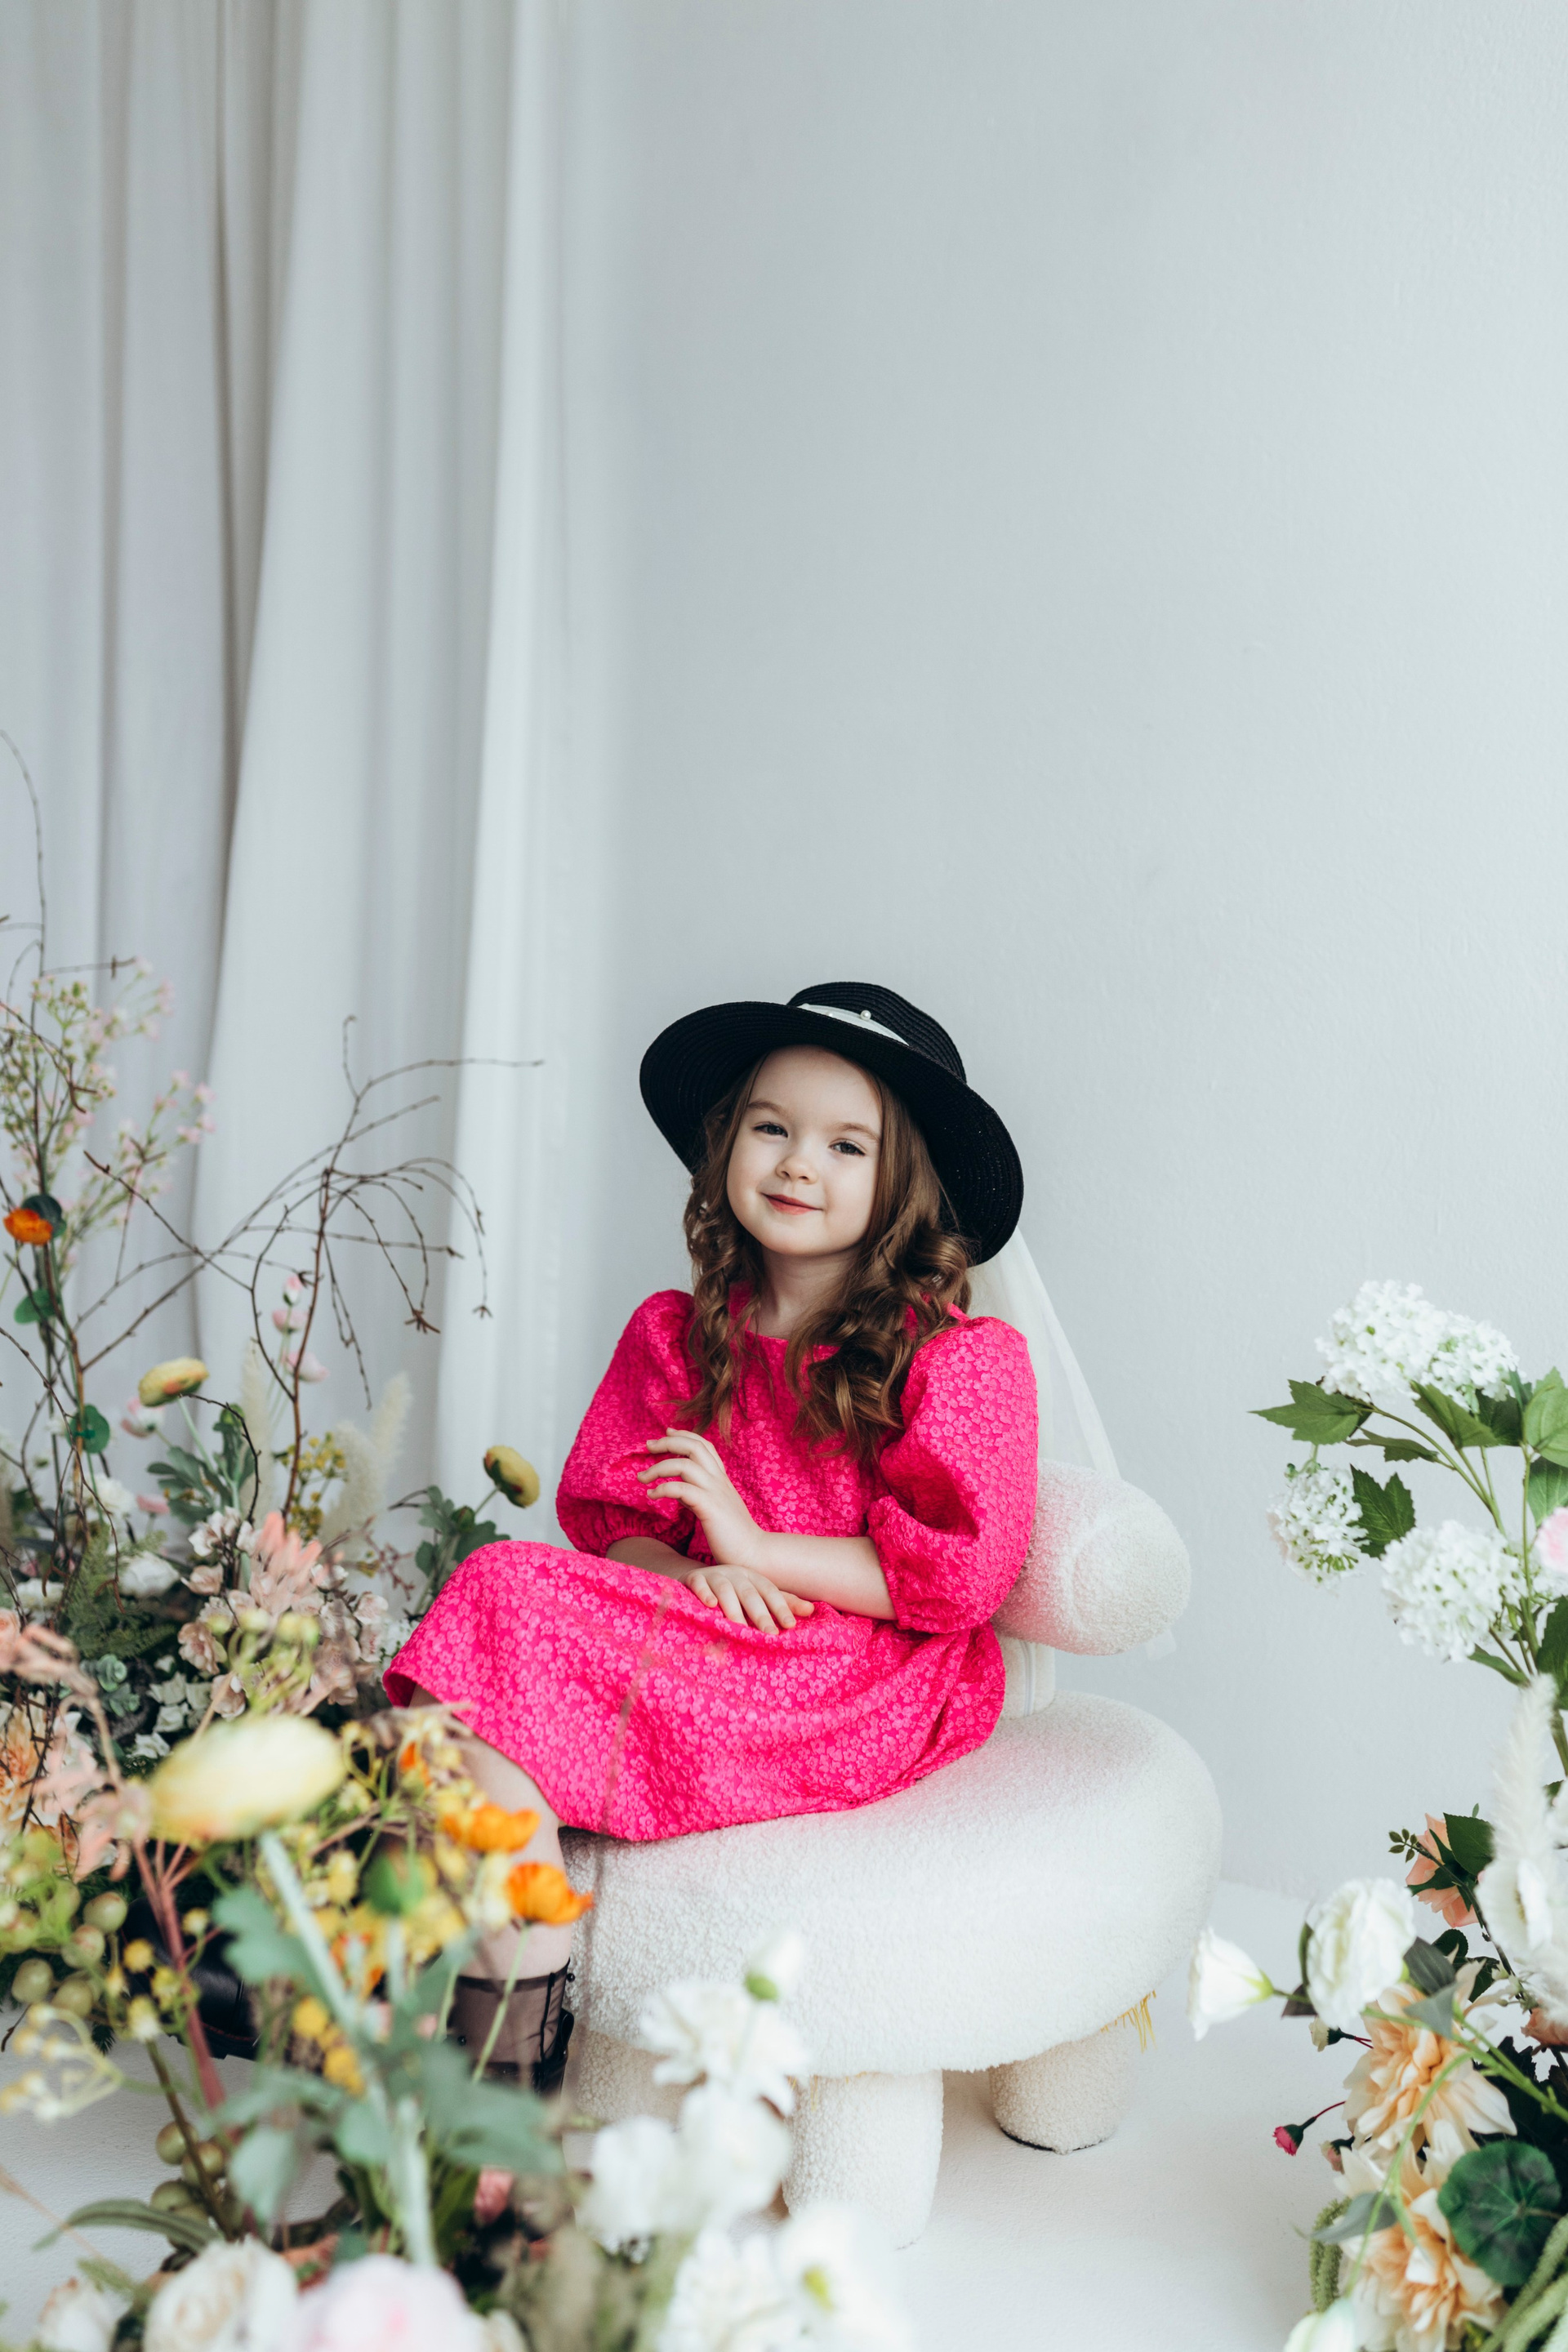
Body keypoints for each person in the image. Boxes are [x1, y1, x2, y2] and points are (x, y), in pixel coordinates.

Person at [385, 980, 1037, 2087]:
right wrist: (691, 1573)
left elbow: (954, 1579)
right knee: (493, 1620)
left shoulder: (957, 1358)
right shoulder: (678, 1335)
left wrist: (751, 1547)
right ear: (728, 1141)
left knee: (492, 1605)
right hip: (712, 1626)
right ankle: (504, 2037)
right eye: (772, 1128)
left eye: (847, 1146)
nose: (798, 1165)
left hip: (856, 1669)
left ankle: (494, 2050)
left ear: (904, 1184)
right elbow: (617, 1529)